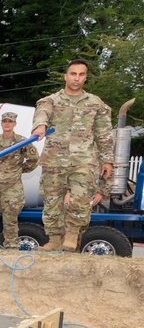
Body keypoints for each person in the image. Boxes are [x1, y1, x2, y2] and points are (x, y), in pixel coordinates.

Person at [32, 59, 114, 252]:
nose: (76, 78)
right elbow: (42, 113)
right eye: (73, 74)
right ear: (66, 76)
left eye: (81, 74)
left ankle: (72, 233)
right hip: (54, 159)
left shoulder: (95, 103)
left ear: (85, 77)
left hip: (83, 160)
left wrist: (107, 160)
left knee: (80, 199)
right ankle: (53, 238)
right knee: (51, 200)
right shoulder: (51, 100)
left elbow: (104, 134)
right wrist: (40, 126)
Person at [0, 112, 40, 248]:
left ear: (14, 124)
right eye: (4, 121)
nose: (7, 123)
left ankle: (11, 246)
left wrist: (20, 170)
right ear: (1, 123)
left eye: (10, 121)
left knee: (10, 218)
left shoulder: (22, 142)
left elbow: (34, 159)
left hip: (12, 187)